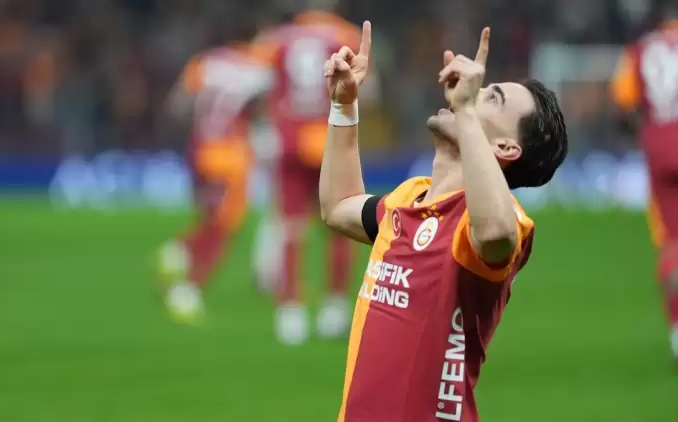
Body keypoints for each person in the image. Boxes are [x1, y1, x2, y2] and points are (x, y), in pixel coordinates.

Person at [320, 23, 567, 421]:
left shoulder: (496, 222)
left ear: (505, 147)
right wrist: (343, 106)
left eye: (490, 96)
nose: (467, 91)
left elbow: (496, 233)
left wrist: (466, 113)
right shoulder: (408, 198)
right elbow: (339, 205)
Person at [252, 3, 373, 345]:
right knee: (341, 224)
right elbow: (367, 89)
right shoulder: (346, 34)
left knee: (291, 226)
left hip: (289, 139)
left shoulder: (276, 38)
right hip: (328, 138)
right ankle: (334, 308)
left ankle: (290, 311)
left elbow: (259, 84)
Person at [157, 20, 272, 324]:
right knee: (224, 226)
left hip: (200, 149)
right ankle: (188, 287)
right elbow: (261, 111)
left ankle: (178, 252)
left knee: (209, 217)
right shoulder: (259, 68)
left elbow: (177, 105)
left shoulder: (205, 62)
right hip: (231, 155)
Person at [609, 7, 678, 362]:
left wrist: (646, 136)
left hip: (661, 145)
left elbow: (622, 101)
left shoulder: (641, 49)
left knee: (671, 243)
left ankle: (677, 331)